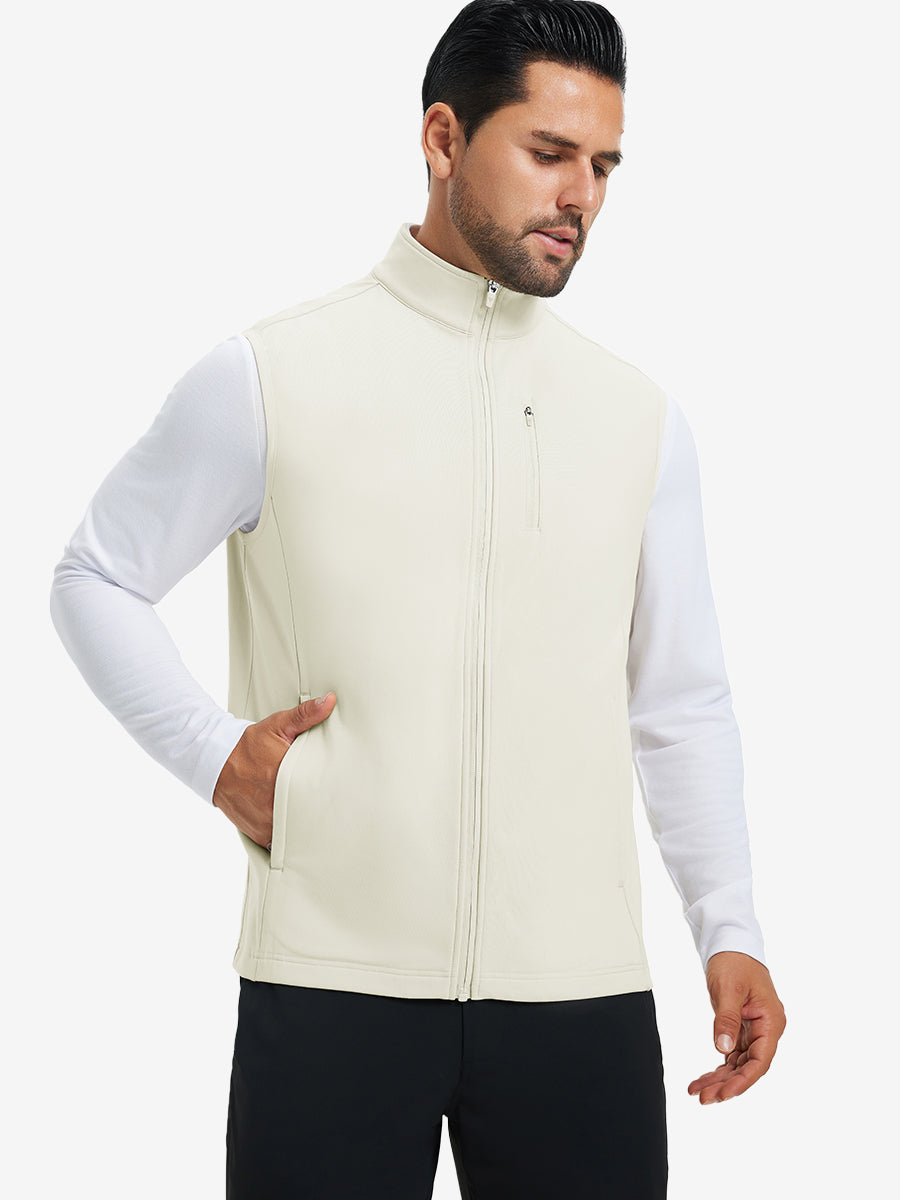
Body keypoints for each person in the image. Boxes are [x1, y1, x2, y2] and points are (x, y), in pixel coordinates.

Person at [50, 1, 786, 1195]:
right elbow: (97, 576)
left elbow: (680, 701)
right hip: (331, 976)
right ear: (444, 138)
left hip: (578, 991)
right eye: (548, 153)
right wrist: (214, 757)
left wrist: (731, 928)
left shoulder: (638, 421)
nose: (581, 197)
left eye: (604, 166)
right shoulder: (271, 376)